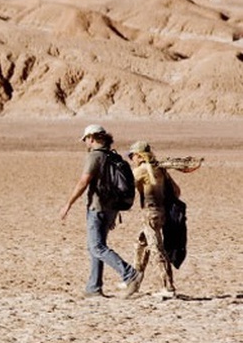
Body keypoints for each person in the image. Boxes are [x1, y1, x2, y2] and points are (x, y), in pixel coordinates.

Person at [60, 124, 142, 299]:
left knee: (96, 246)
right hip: (111, 207)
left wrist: (69, 203)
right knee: (96, 247)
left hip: (97, 207)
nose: (86, 143)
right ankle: (93, 287)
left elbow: (84, 181)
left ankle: (130, 274)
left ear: (92, 138)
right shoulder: (113, 156)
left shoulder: (95, 156)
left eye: (86, 140)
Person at [128, 141, 201, 299]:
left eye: (132, 155)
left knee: (156, 249)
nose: (131, 159)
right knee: (141, 243)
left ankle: (168, 287)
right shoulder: (161, 170)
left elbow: (126, 188)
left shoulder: (141, 170)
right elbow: (177, 191)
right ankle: (134, 282)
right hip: (162, 213)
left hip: (150, 213)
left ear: (139, 155)